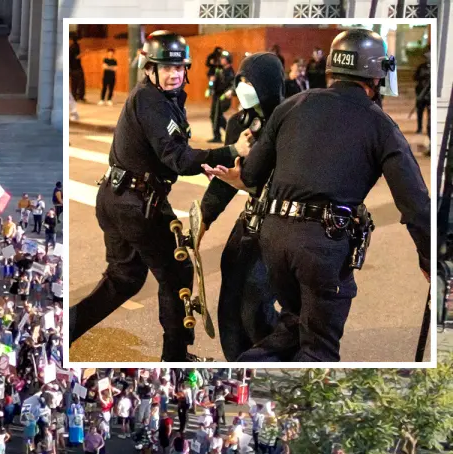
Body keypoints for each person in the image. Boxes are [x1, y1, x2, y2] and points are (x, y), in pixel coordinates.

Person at [218, 28, 430, 362]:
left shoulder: (291, 106)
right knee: (318, 351)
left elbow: (252, 173)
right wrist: (430, 259)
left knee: (292, 325)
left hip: (273, 240)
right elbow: (415, 203)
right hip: (322, 247)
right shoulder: (380, 124)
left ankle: (247, 366)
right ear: (377, 76)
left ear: (332, 67)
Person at [69, 30, 243, 361]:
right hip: (135, 204)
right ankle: (175, 358)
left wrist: (205, 163)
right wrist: (232, 150)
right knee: (176, 273)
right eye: (166, 67)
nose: (174, 73)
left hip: (121, 197)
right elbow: (176, 157)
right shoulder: (150, 100)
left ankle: (65, 331)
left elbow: (176, 155)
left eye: (179, 67)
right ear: (150, 68)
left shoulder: (162, 99)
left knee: (125, 279)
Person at [196, 52, 284, 360]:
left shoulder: (287, 121)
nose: (244, 87)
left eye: (251, 82)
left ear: (269, 85)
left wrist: (244, 181)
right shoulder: (239, 123)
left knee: (255, 299)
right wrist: (203, 221)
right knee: (230, 293)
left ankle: (272, 354)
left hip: (279, 223)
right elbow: (225, 180)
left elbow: (285, 180)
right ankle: (236, 356)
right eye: (241, 81)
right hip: (250, 220)